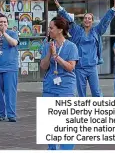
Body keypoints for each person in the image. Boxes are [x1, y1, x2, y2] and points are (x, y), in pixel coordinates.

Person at [54, 0, 115, 97]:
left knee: (96, 92)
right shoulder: (76, 30)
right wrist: (60, 8)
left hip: (92, 67)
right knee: (81, 93)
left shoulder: (96, 31)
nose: (87, 20)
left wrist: (112, 10)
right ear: (83, 20)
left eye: (89, 18)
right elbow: (69, 20)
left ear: (92, 21)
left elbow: (104, 22)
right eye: (85, 18)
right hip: (79, 67)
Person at [39, 17, 79, 150]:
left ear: (60, 30)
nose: (49, 30)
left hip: (66, 88)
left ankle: (65, 149)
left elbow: (70, 67)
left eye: (51, 28)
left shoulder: (71, 46)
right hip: (50, 86)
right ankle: (52, 148)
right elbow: (44, 66)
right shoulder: (47, 45)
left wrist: (57, 57)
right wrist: (50, 54)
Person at [0, 14, 19, 122]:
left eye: (5, 22)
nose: (3, 24)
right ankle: (1, 113)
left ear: (8, 24)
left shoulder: (13, 33)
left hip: (10, 68)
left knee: (10, 92)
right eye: (0, 22)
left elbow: (14, 43)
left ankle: (11, 114)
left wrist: (4, 33)